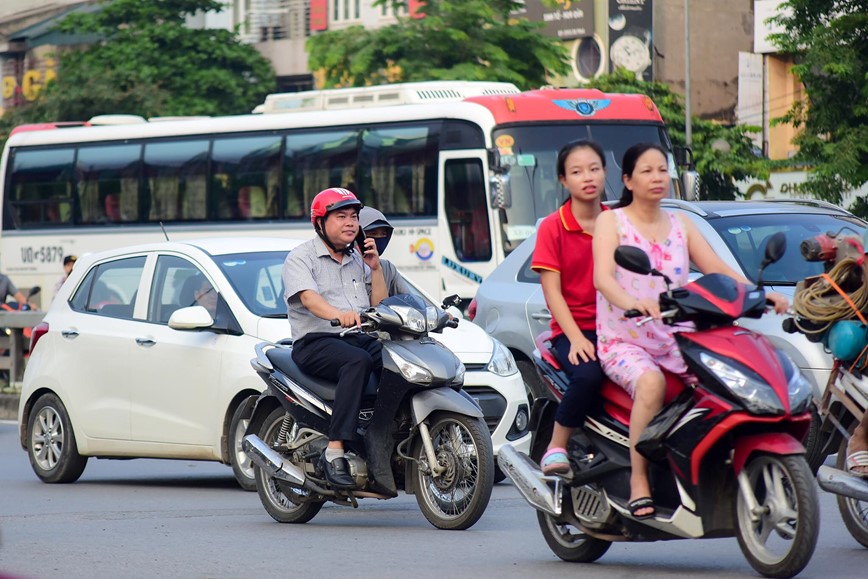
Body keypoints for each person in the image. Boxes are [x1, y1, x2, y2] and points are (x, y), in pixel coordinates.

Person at [593, 142, 789, 519]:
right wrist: (634, 303)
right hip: (624, 337)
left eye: (662, 170)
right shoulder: (611, 222)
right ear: (628, 180)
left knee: (725, 382)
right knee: (651, 384)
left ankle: (707, 467)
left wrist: (762, 294)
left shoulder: (682, 224)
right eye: (647, 171)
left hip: (674, 336)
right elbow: (603, 277)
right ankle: (639, 479)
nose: (657, 178)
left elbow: (716, 268)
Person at [283, 187, 387, 489]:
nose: (350, 223)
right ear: (320, 223)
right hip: (316, 341)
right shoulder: (301, 258)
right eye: (341, 217)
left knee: (397, 357)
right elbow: (309, 299)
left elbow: (379, 305)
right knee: (358, 361)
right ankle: (335, 449)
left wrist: (375, 268)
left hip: (357, 337)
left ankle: (384, 432)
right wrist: (336, 313)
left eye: (354, 217)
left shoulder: (359, 258)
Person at [530, 140, 607, 477]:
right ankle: (557, 445)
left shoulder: (617, 222)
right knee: (589, 375)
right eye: (577, 171)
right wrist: (576, 338)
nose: (587, 177)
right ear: (564, 180)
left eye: (594, 168)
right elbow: (553, 294)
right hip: (574, 330)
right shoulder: (552, 227)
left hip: (619, 328)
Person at [359, 206, 414, 296]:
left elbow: (409, 299)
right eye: (373, 233)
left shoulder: (387, 268)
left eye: (383, 234)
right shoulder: (347, 267)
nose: (379, 238)